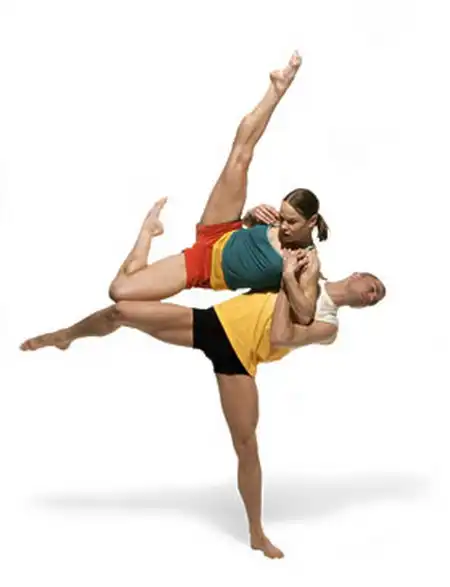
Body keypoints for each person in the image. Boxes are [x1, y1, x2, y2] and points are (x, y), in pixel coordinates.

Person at [20, 248, 386, 559]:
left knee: (246, 445)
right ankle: (66, 336)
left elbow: (279, 336)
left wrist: (288, 281)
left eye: (376, 298)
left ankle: (256, 532)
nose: (372, 295)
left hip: (241, 359)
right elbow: (257, 246)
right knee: (121, 311)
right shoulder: (310, 268)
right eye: (373, 287)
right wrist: (265, 231)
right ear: (357, 275)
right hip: (213, 323)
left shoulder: (328, 325)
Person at [105, 51, 329, 321]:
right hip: (220, 228)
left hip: (204, 267)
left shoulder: (307, 262)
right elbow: (250, 233)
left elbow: (305, 315)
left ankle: (148, 231)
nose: (283, 226)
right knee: (240, 156)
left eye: (291, 222)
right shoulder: (279, 226)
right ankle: (278, 87)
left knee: (120, 290)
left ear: (311, 221)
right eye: (282, 218)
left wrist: (289, 277)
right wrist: (250, 218)